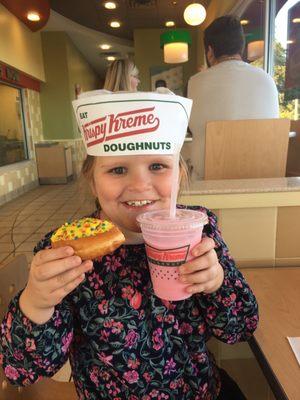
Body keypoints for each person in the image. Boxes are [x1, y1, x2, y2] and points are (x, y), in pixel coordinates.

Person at [0, 90, 258, 400]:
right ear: (93, 182)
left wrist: (217, 283)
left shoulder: (200, 231)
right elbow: (22, 369)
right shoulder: (67, 253)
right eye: (118, 169)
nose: (139, 185)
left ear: (179, 175)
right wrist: (37, 302)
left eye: (158, 166)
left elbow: (241, 327)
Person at [188, 15, 279, 179]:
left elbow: (190, 128)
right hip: (263, 184)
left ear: (210, 51)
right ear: (241, 47)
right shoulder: (267, 80)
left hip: (207, 185)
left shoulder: (195, 82)